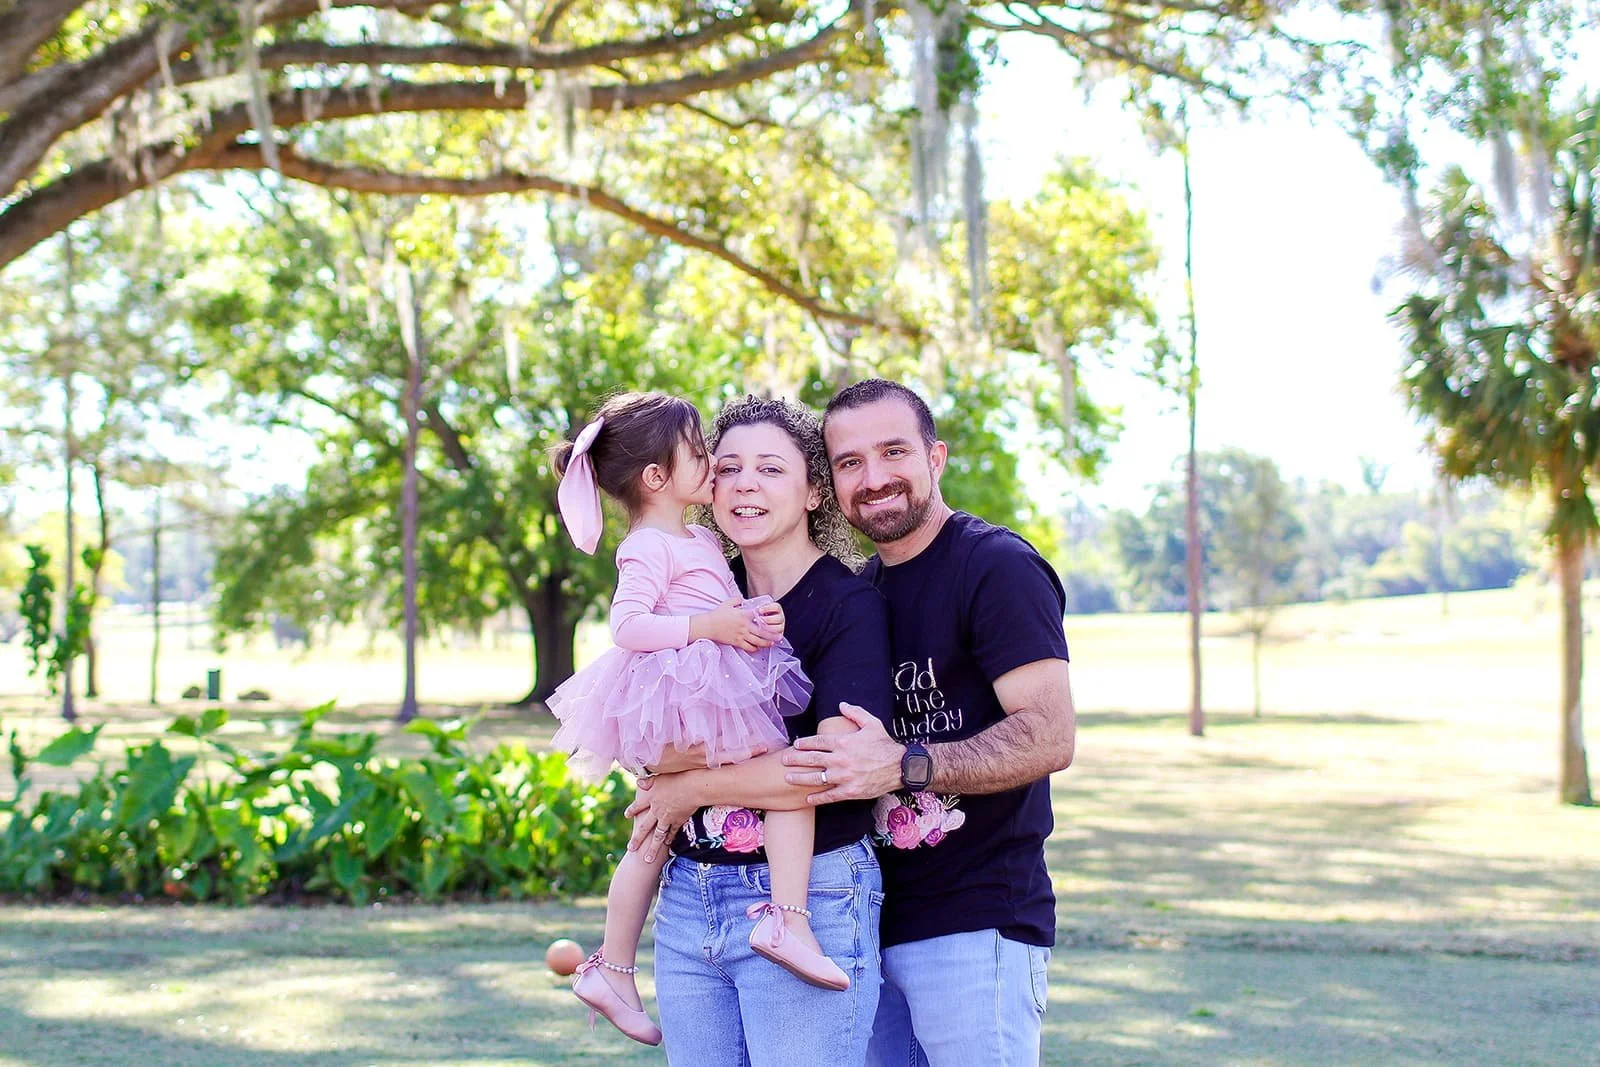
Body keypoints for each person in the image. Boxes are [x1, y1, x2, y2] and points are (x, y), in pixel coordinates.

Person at [781, 378, 1077, 1066]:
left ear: (935, 457)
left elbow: (1050, 734)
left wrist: (905, 763)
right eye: (850, 461)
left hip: (979, 923)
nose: (875, 477)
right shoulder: (856, 593)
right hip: (870, 922)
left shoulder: (995, 567)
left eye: (893, 452)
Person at [545, 392, 849, 1047]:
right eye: (702, 452)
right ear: (657, 476)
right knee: (782, 781)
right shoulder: (648, 545)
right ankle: (786, 920)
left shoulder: (702, 537)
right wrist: (712, 625)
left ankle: (615, 969)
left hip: (714, 682)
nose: (715, 465)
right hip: (679, 687)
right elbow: (627, 625)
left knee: (657, 826)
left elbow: (724, 599)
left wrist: (752, 618)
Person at [621, 396, 894, 1065]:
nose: (745, 482)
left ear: (813, 492)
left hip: (813, 895)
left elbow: (828, 768)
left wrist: (686, 787)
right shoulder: (695, 588)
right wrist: (667, 774)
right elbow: (635, 736)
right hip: (690, 893)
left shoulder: (848, 605)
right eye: (730, 466)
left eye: (771, 468)